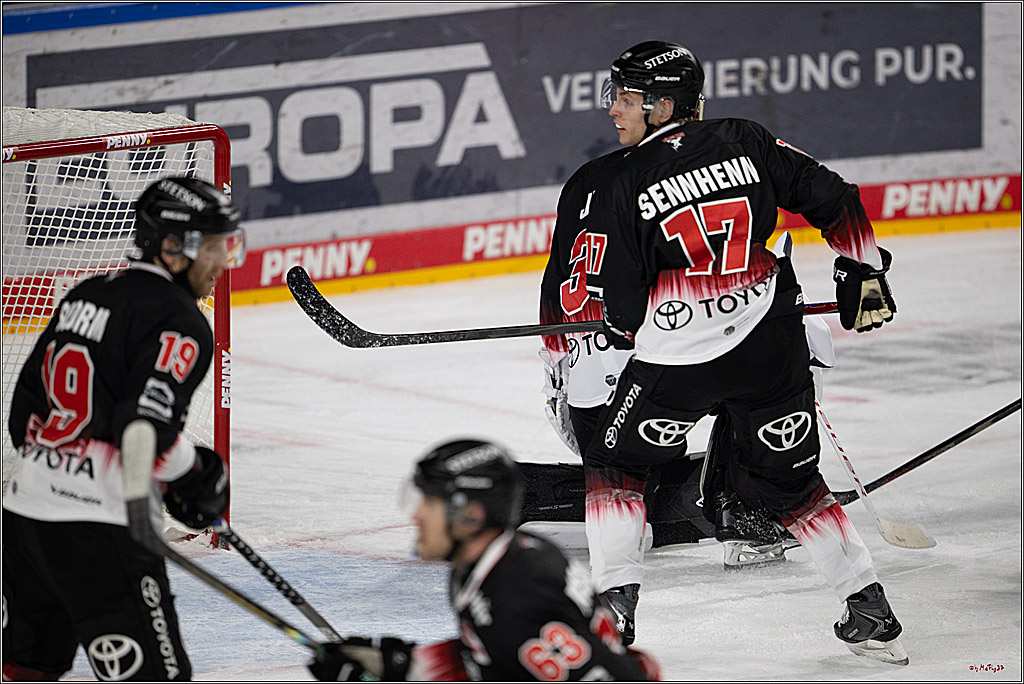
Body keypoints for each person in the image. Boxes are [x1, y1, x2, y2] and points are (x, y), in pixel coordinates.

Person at [576, 41, 906, 665]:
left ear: (661, 106)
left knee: (616, 466)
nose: (613, 109)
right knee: (794, 482)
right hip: (768, 350)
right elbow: (837, 199)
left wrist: (623, 326)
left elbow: (621, 308)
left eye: (625, 97)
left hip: (679, 362)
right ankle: (867, 604)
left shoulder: (622, 181)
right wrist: (863, 270)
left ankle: (614, 609)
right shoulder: (747, 139)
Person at [3, 177, 244, 681]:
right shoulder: (180, 320)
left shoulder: (85, 294)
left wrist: (59, 471)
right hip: (103, 531)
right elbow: (142, 427)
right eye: (213, 246)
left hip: (24, 517)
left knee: (22, 666)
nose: (223, 261)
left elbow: (22, 415)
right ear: (172, 248)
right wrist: (193, 471)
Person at [306, 439, 660, 681]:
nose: (416, 516)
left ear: (471, 516)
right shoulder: (501, 559)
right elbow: (494, 659)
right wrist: (405, 665)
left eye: (429, 504)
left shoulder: (517, 596)